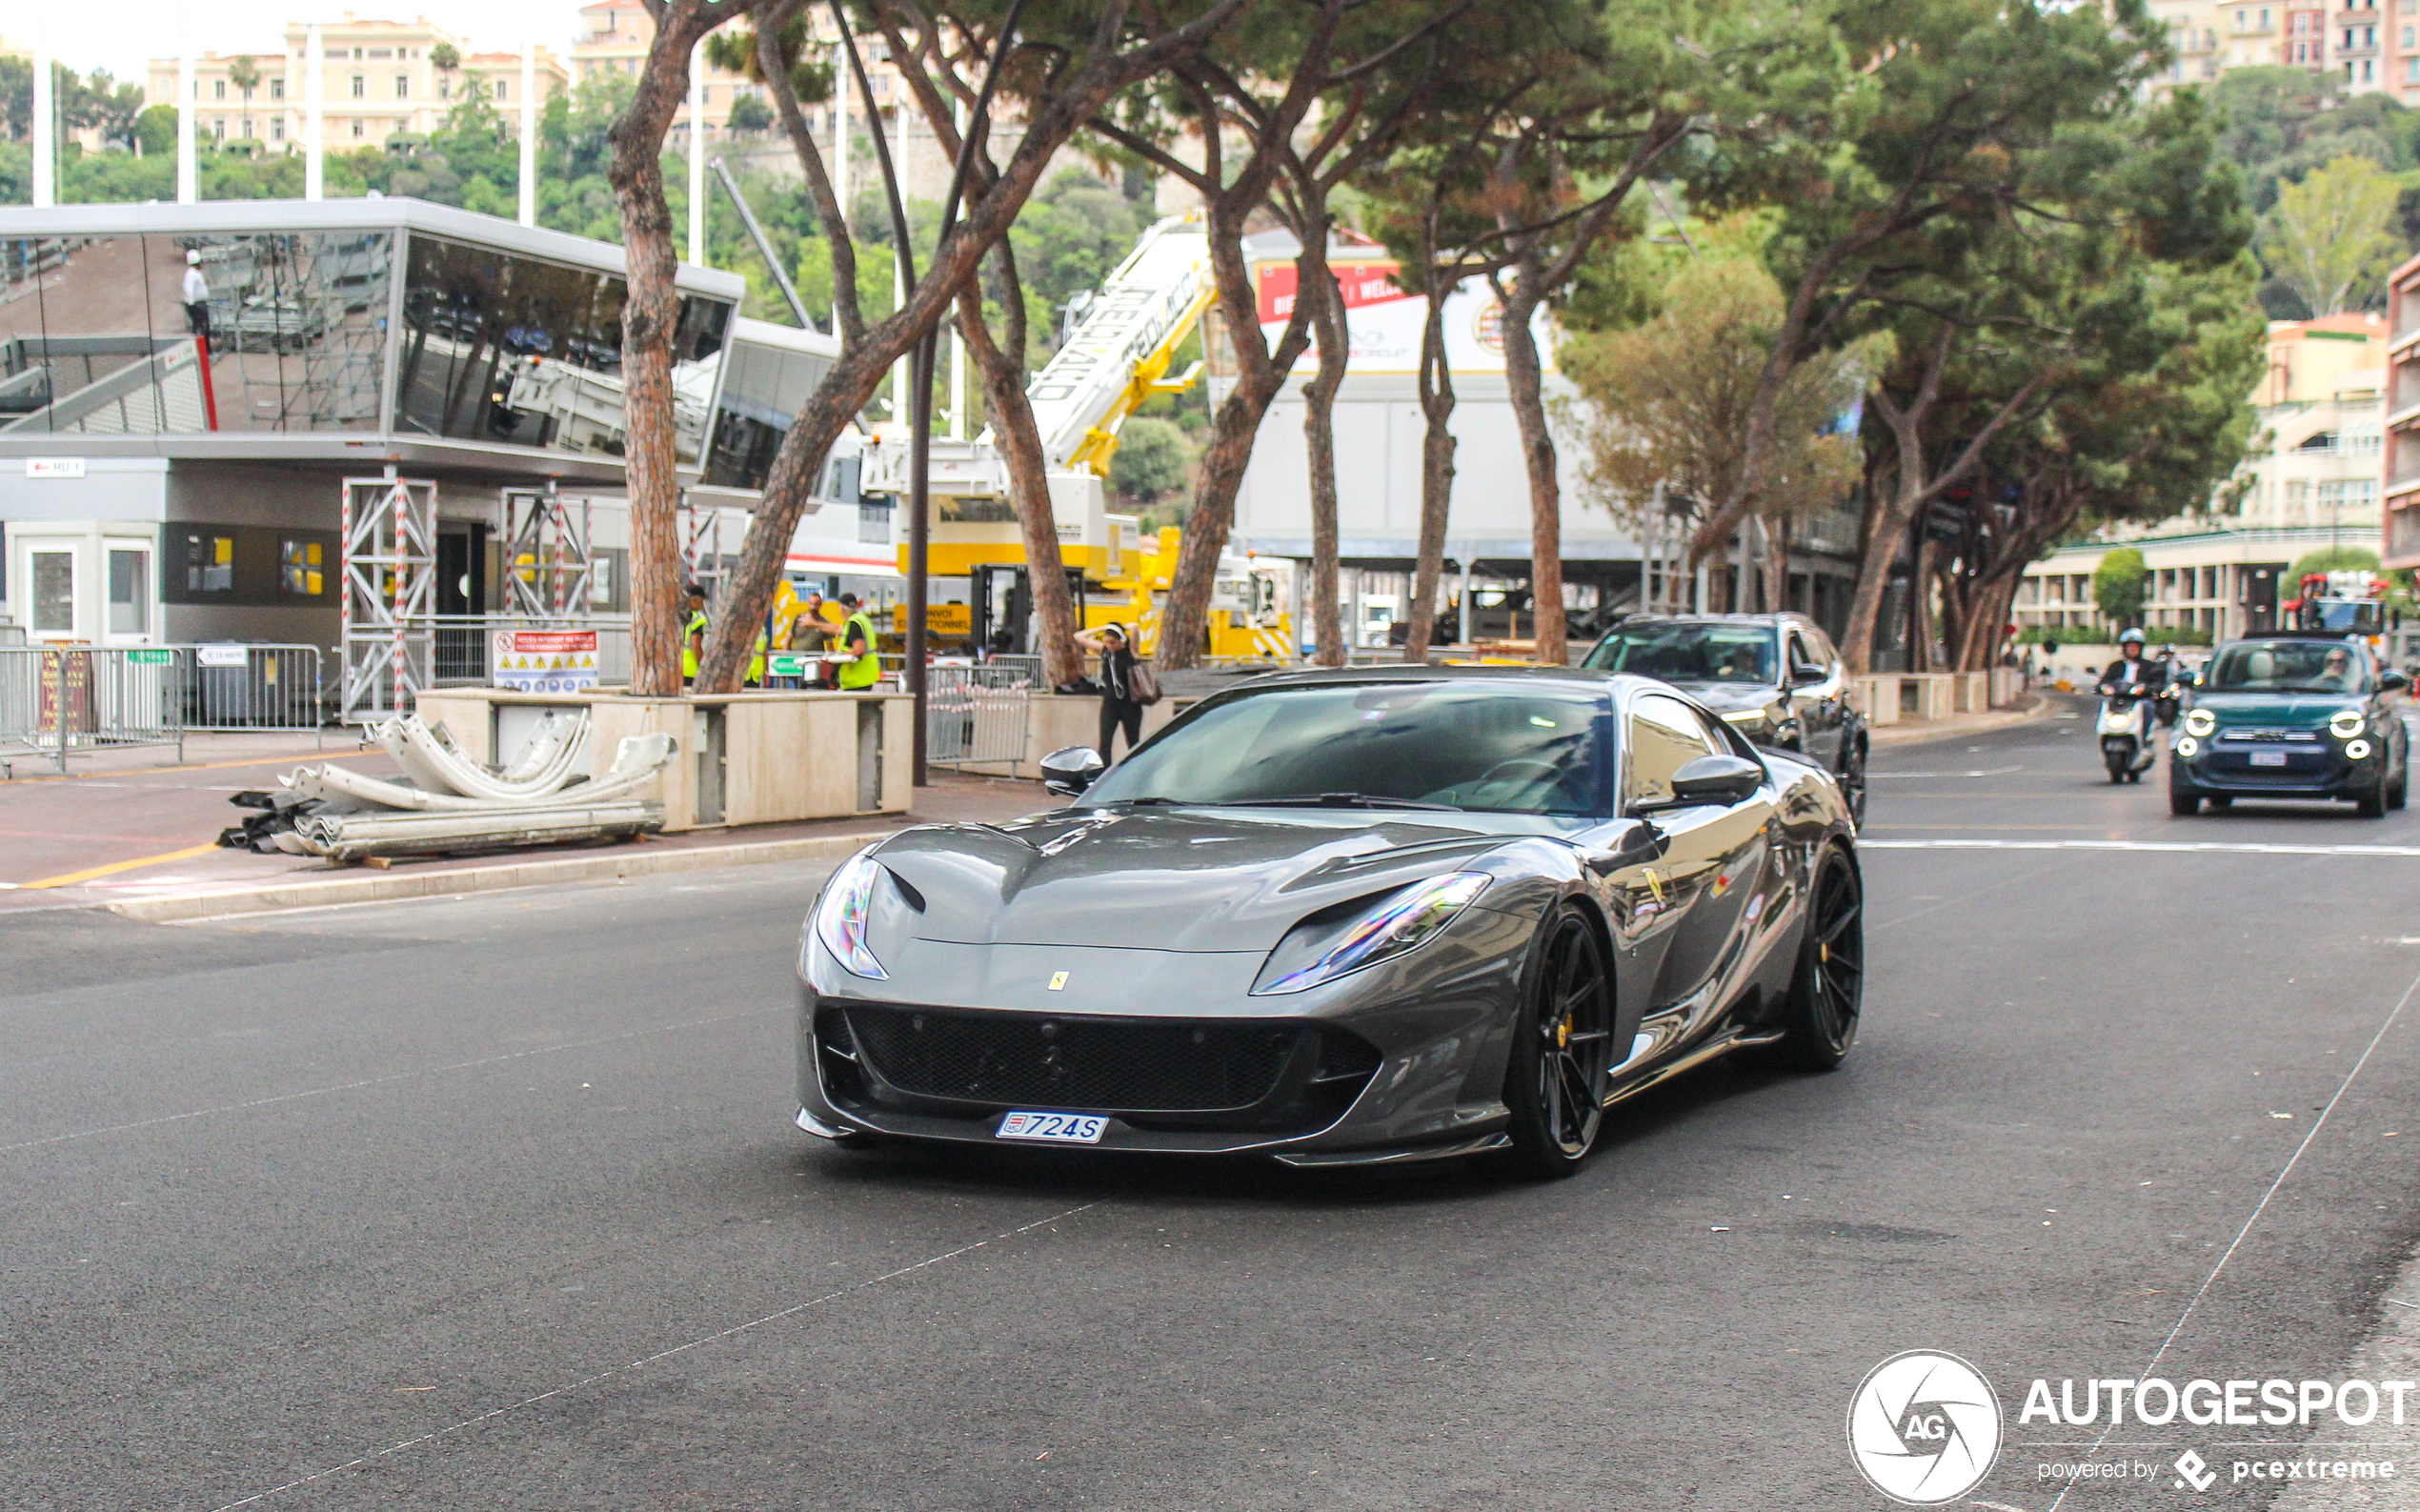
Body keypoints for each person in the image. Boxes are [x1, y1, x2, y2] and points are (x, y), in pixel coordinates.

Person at [1076, 622, 1143, 761]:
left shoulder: (1130, 652)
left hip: (1130, 705)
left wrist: (1122, 627)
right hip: (1110, 704)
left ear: (1121, 641)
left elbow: (1135, 627)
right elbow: (1079, 636)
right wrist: (1102, 627)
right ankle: (1104, 774)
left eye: (1112, 642)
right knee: (1105, 743)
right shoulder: (1104, 652)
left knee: (1133, 742)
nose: (1109, 646)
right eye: (1106, 642)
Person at [2098, 628, 2165, 699]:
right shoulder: (2115, 666)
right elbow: (2104, 682)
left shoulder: (2150, 666)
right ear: (2124, 648)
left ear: (2140, 648)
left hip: (2141, 699)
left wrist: (2145, 688)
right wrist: (2105, 687)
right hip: (2117, 699)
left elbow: (2157, 683)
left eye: (2135, 646)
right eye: (2129, 646)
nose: (2132, 649)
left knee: (2149, 706)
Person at [833, 593, 880, 691]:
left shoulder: (853, 623)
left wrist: (839, 656)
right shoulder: (863, 619)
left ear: (841, 608)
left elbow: (859, 650)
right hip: (866, 676)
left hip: (856, 679)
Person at [680, 584, 710, 684]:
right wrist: (704, 667)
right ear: (694, 600)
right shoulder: (698, 619)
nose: (702, 605)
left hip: (675, 669)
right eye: (702, 601)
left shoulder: (677, 615)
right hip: (691, 670)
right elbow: (696, 644)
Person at [181, 250, 212, 339]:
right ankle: (204, 350)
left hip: (200, 303)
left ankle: (206, 349)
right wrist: (192, 304)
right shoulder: (191, 274)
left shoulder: (196, 273)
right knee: (201, 329)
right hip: (197, 304)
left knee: (204, 328)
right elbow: (187, 288)